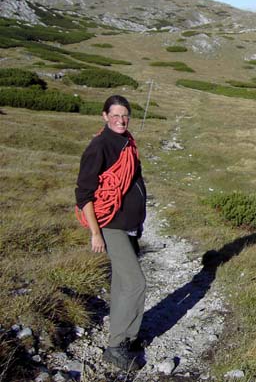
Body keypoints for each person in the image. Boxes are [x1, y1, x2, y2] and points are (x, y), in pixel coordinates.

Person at [75, 95, 146, 371]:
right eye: (115, 115)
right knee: (136, 283)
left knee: (121, 285)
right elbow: (83, 194)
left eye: (125, 115)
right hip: (110, 225)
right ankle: (116, 346)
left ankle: (126, 337)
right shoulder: (100, 146)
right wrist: (95, 233)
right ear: (105, 116)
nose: (120, 120)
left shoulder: (127, 141)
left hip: (127, 225)